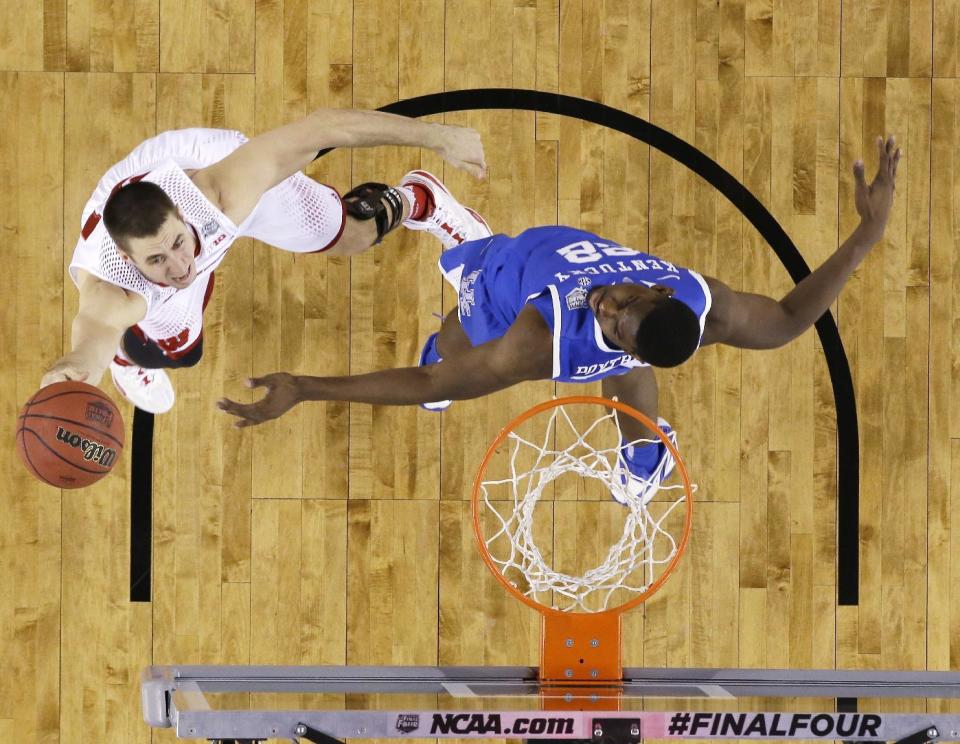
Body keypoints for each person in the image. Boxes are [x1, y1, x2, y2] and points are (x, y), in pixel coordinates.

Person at [218, 135, 900, 497]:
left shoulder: (538, 344)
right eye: (629, 298)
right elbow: (783, 319)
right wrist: (866, 236)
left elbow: (429, 388)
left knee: (455, 355)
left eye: (617, 319)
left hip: (513, 298)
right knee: (459, 336)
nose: (612, 302)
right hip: (510, 264)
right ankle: (441, 215)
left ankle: (639, 447)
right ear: (660, 292)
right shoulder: (695, 295)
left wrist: (307, 388)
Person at [40, 109, 491, 413]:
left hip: (200, 174)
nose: (179, 268)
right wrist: (73, 374)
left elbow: (323, 128)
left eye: (179, 244)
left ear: (183, 216)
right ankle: (130, 359)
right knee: (181, 350)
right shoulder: (114, 291)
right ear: (127, 257)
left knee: (350, 235)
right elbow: (91, 340)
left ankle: (422, 200)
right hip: (140, 224)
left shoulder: (219, 192)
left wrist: (439, 136)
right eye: (157, 259)